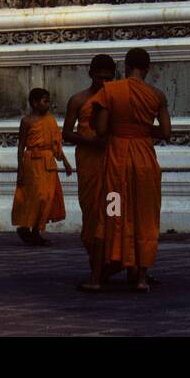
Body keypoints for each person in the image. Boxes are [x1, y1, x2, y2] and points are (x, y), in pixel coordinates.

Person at [82, 47, 170, 292]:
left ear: (125, 66)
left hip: (117, 160)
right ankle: (141, 278)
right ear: (148, 68)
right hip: (144, 160)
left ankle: (96, 279)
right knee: (144, 215)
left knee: (109, 213)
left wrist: (123, 127)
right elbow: (165, 132)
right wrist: (141, 128)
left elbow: (100, 129)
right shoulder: (157, 94)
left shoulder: (111, 91)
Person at [62, 54, 117, 275]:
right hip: (88, 160)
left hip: (113, 159)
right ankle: (97, 261)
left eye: (108, 77)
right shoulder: (78, 100)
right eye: (99, 77)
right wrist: (90, 141)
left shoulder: (116, 98)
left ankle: (117, 259)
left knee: (115, 209)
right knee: (92, 210)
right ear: (90, 74)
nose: (103, 82)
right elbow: (66, 133)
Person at [12, 88, 72, 246]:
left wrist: (65, 162)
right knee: (36, 197)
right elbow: (21, 146)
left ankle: (35, 231)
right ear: (34, 103)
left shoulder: (50, 120)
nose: (48, 104)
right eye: (45, 101)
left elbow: (56, 145)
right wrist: (20, 169)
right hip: (32, 163)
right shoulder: (27, 121)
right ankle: (27, 228)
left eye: (48, 101)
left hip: (48, 162)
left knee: (47, 197)